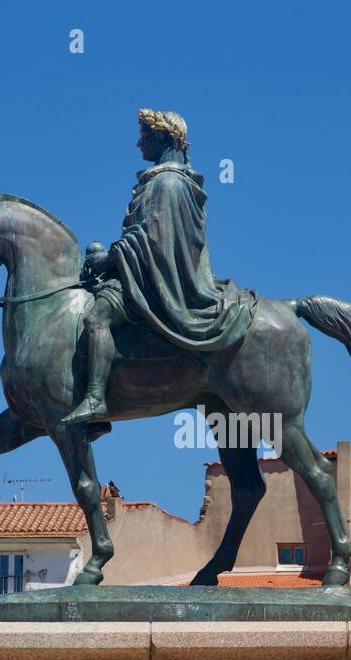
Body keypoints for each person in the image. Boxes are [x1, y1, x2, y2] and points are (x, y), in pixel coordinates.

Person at [61, 109, 254, 425]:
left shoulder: (166, 183)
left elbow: (152, 242)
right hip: (148, 271)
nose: (140, 145)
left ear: (165, 138)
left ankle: (95, 398)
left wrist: (109, 259)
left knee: (98, 317)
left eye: (146, 137)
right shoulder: (168, 181)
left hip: (154, 280)